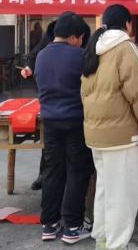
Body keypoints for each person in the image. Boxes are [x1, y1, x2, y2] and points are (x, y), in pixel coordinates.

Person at [81, 4, 138, 250]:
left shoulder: (95, 47)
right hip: (121, 135)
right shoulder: (126, 48)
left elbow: (84, 92)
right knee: (123, 194)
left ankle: (103, 240)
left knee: (105, 188)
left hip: (96, 133)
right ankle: (118, 245)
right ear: (127, 24)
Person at [35, 13, 95, 244]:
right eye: (80, 38)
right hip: (76, 120)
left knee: (52, 171)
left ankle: (49, 224)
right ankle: (73, 226)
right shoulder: (80, 55)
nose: (80, 43)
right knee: (77, 171)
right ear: (73, 37)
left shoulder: (41, 55)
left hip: (50, 121)